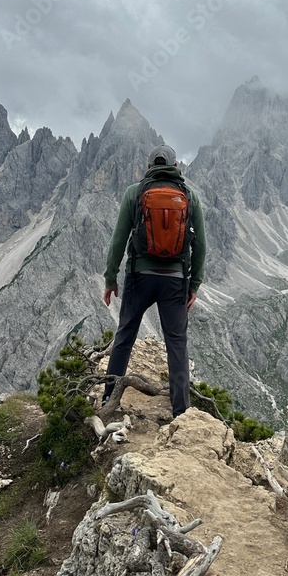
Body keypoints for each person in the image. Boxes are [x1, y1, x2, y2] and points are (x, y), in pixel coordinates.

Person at [102, 144, 206, 417]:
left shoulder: (134, 193)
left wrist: (110, 278)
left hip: (139, 276)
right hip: (174, 280)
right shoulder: (190, 196)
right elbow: (201, 246)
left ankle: (108, 399)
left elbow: (118, 239)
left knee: (125, 335)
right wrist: (193, 285)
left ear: (149, 167)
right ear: (175, 167)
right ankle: (181, 411)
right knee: (176, 343)